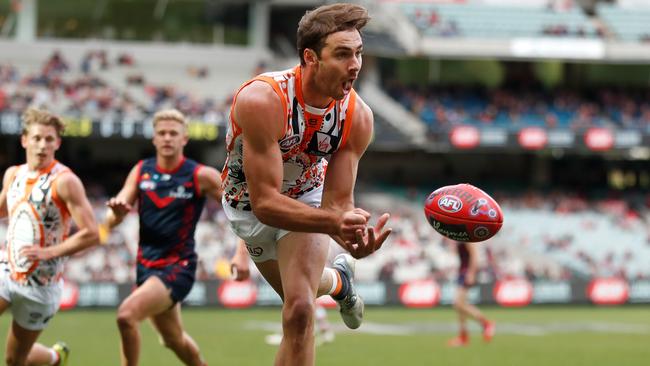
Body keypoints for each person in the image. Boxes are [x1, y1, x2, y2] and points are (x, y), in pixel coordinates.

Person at [221, 3, 391, 365]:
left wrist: (352, 237)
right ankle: (339, 282)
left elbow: (339, 202)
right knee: (300, 301)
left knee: (299, 312)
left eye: (359, 53)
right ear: (311, 57)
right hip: (249, 208)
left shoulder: (358, 116)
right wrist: (334, 225)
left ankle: (337, 278)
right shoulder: (264, 100)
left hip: (307, 201)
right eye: (343, 54)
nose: (356, 64)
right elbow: (265, 203)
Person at [102, 109, 221, 366]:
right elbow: (111, 220)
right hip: (145, 267)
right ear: (154, 139)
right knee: (173, 340)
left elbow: (241, 211)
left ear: (184, 139)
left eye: (173, 133)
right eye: (162, 133)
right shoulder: (141, 170)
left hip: (178, 267)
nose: (167, 138)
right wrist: (117, 214)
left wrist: (242, 253)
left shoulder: (201, 175)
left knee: (126, 316)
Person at [0, 108, 100, 366]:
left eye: (48, 139)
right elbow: (3, 208)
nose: (42, 145)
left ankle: (54, 358)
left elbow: (91, 234)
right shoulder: (13, 174)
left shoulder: (65, 182)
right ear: (24, 140)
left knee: (14, 360)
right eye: (36, 138)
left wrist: (48, 252)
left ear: (57, 142)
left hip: (40, 287)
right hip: (7, 271)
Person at [230, 240, 335, 347]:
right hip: (309, 250)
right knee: (304, 297)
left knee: (299, 294)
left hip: (309, 250)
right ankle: (324, 329)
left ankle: (316, 329)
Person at [447, 240, 495, 347]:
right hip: (462, 271)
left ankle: (486, 323)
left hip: (466, 272)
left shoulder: (467, 237)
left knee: (458, 304)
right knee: (460, 306)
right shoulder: (459, 237)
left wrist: (471, 273)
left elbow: (474, 255)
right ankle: (463, 337)